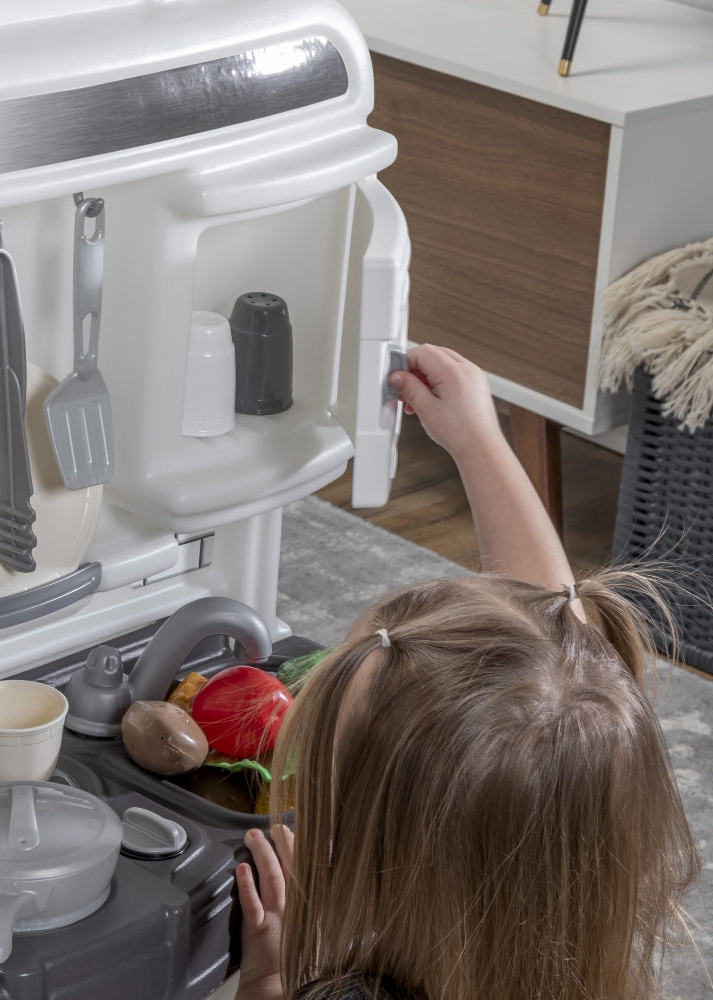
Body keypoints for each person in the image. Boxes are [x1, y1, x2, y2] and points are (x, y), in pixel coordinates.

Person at [233, 344, 701, 1000]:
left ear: (401, 872)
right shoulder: (580, 882)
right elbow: (557, 646)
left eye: (335, 788)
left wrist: (271, 977)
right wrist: (477, 441)